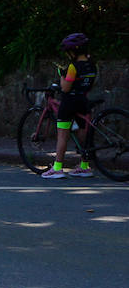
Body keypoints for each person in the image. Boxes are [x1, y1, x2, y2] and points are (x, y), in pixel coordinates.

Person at [42, 33, 97, 179]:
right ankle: (85, 167)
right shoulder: (92, 65)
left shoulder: (73, 67)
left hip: (69, 103)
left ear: (73, 51)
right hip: (83, 101)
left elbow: (65, 88)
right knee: (82, 133)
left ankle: (57, 168)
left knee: (62, 135)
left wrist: (62, 73)